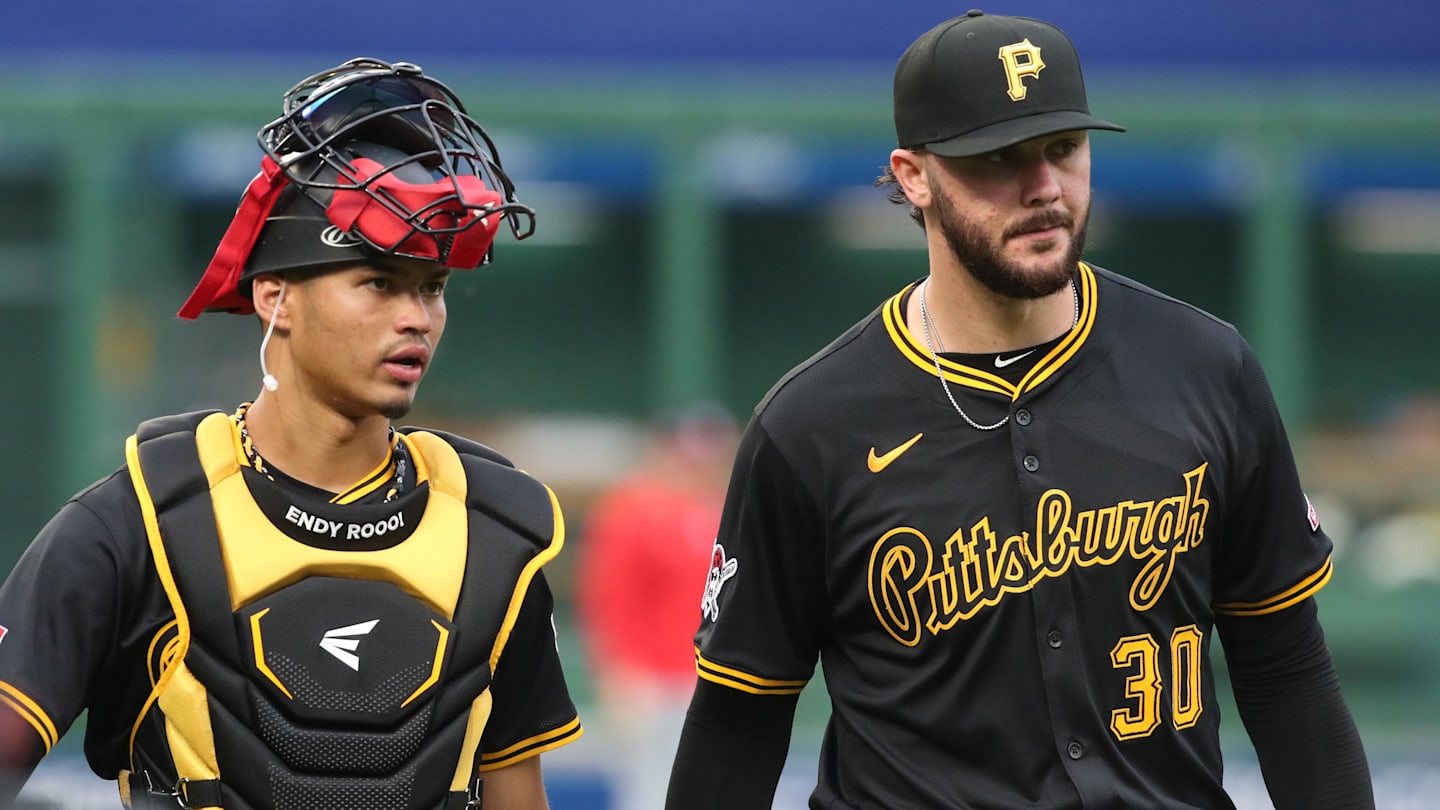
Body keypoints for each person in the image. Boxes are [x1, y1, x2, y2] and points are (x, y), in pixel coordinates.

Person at [665, 10, 1375, 809]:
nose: (1043, 188)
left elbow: (1287, 671)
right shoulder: (810, 427)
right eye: (998, 159)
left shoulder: (1209, 368)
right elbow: (737, 724)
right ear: (914, 176)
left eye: (1063, 149)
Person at [0, 58, 582, 809]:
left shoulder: (493, 531)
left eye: (432, 288)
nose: (416, 318)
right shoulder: (138, 521)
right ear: (275, 296)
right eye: (379, 282)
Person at [573, 404, 738, 810]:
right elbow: (608, 596)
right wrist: (616, 670)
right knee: (650, 793)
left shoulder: (726, 509)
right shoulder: (632, 508)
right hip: (652, 682)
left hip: (715, 677)